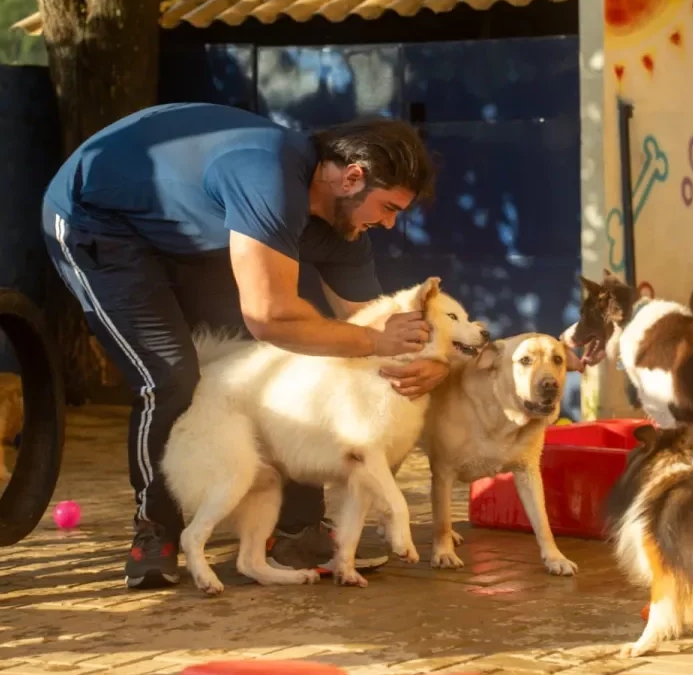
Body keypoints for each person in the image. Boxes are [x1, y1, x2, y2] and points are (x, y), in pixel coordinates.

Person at [40, 102, 451, 589]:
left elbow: (363, 328)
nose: (388, 226)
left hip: (196, 235)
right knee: (171, 375)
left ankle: (295, 530)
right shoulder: (270, 179)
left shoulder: (346, 229)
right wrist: (371, 340)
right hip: (100, 221)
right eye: (388, 209)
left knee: (293, 363)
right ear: (352, 178)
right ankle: (157, 530)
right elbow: (269, 317)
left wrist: (432, 363)